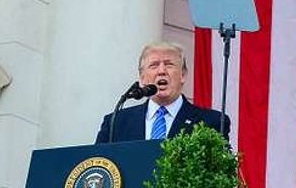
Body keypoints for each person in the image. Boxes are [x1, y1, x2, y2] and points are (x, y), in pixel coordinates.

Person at [95, 42, 230, 143]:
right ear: (142, 78)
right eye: (154, 65)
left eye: (169, 64)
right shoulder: (116, 122)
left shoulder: (212, 122)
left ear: (183, 75)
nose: (161, 71)